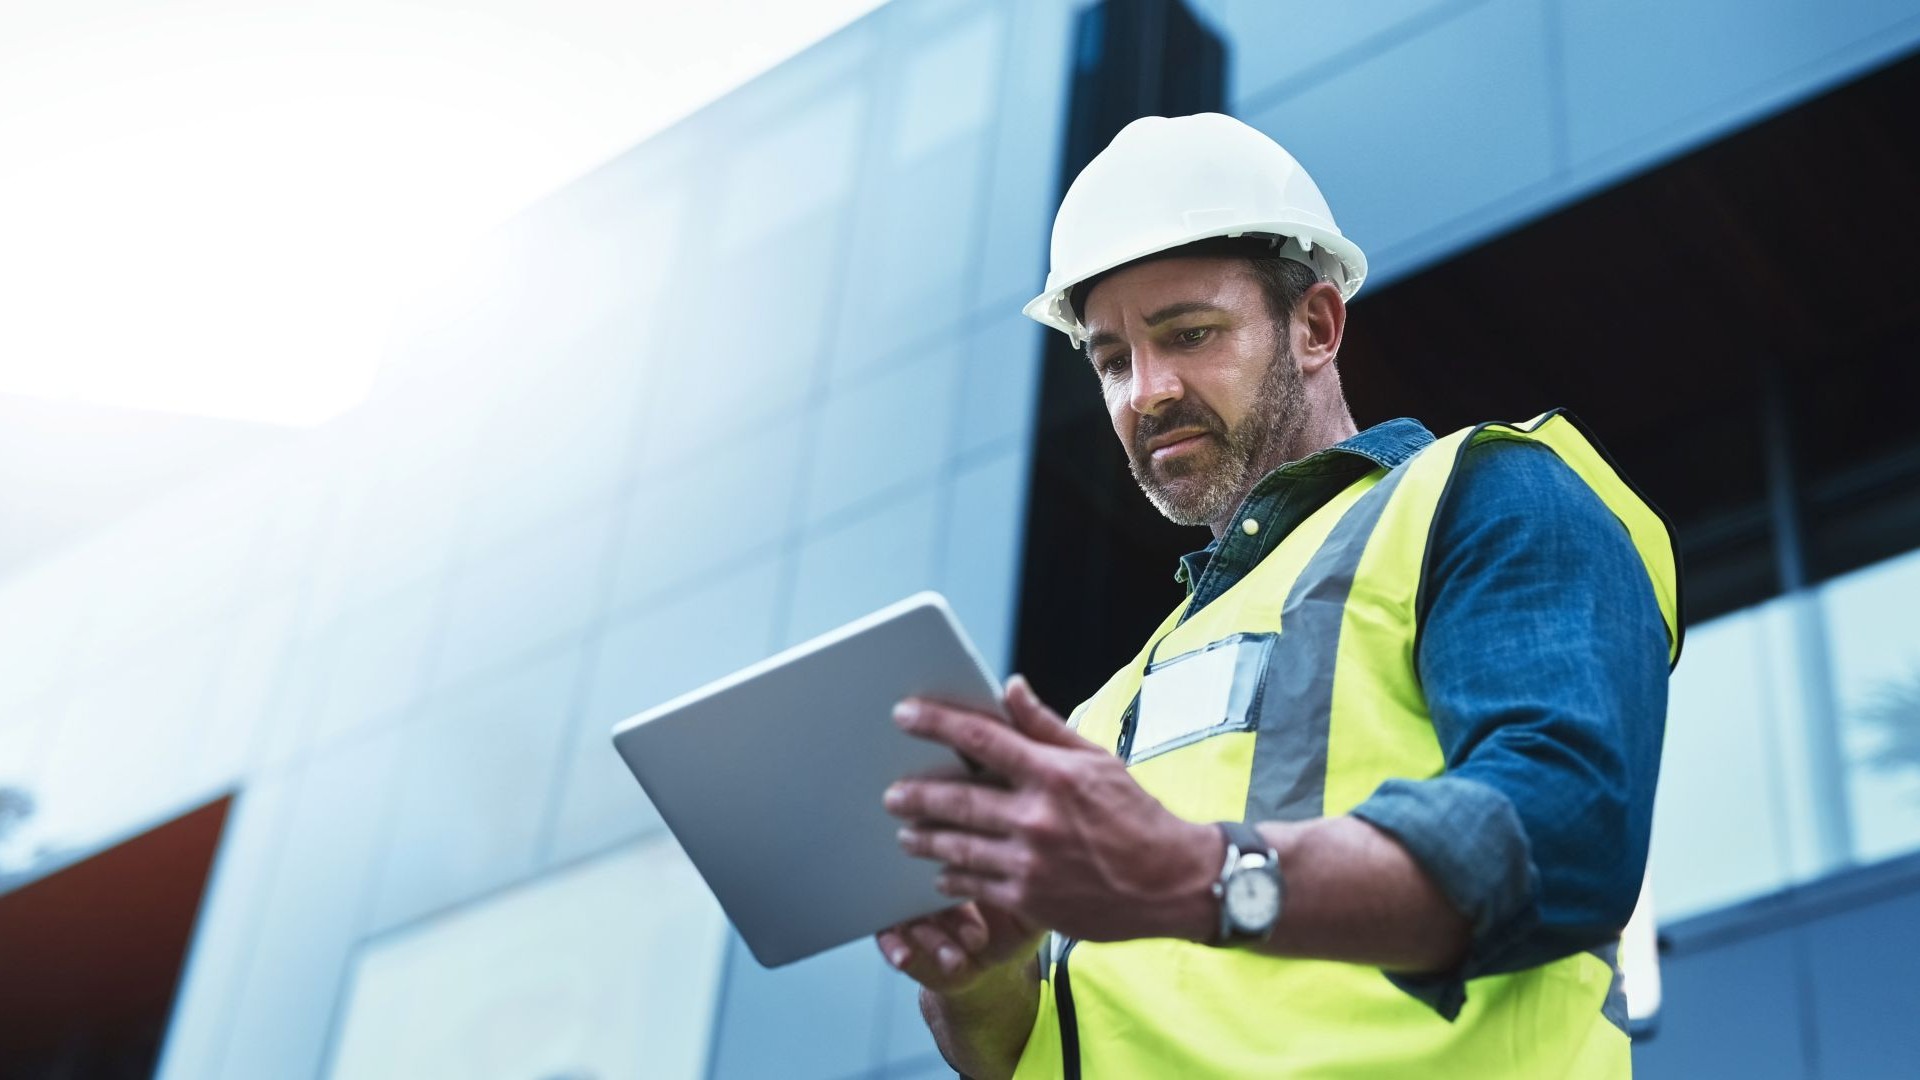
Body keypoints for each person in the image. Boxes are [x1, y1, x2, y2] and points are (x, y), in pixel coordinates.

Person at [874, 113, 1680, 1078]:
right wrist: (978, 982)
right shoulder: (1100, 717)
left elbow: (1566, 831)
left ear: (1315, 325)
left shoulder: (1483, 495)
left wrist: (1194, 875)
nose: (1146, 392)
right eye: (1112, 360)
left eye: (1189, 334)